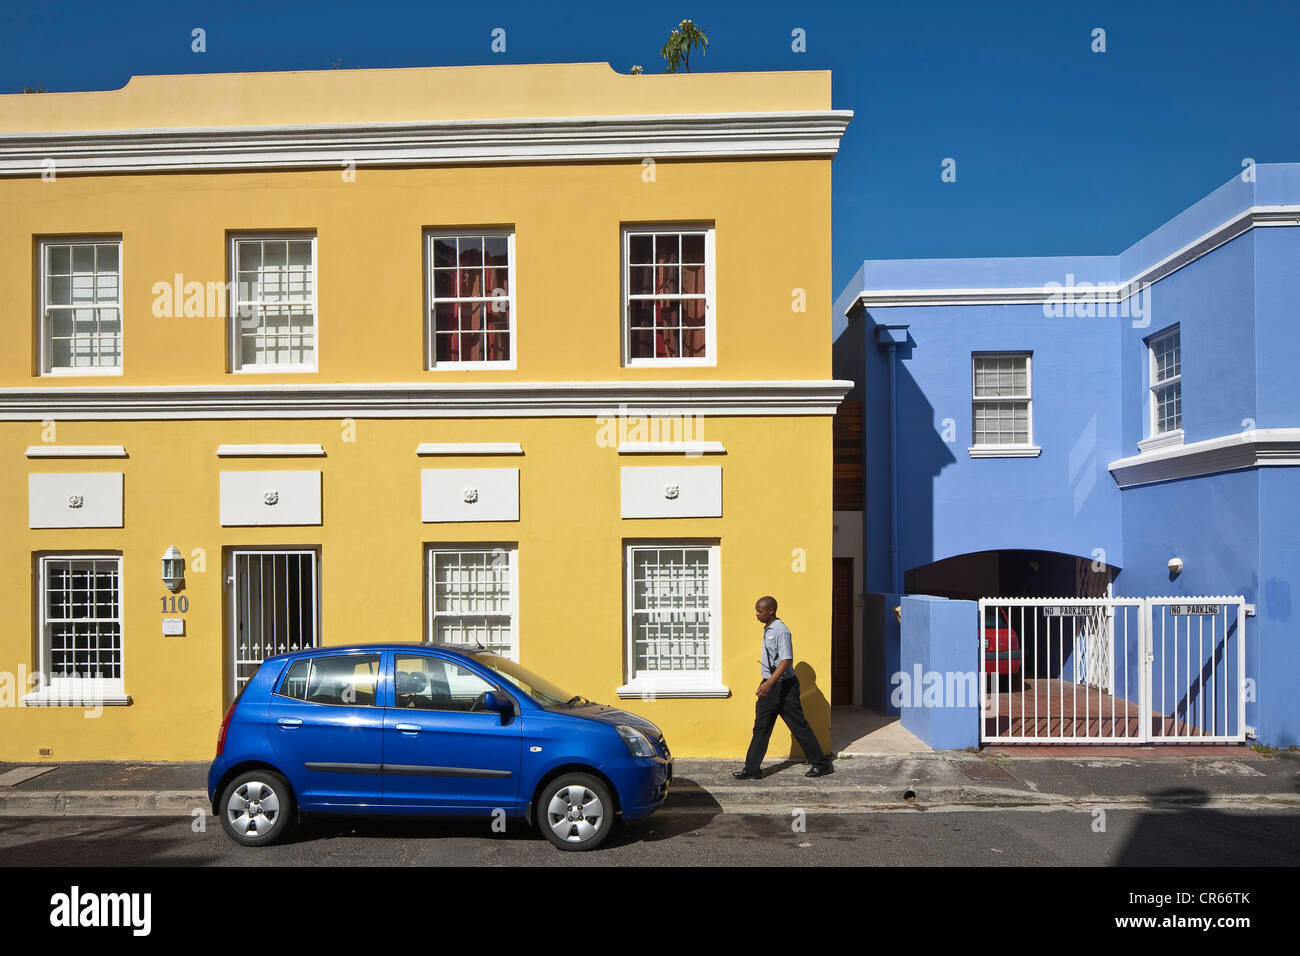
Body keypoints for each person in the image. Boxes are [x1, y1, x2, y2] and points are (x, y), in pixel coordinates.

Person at [733, 595, 835, 779]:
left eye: (759, 611)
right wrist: (767, 683)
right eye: (756, 610)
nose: (756, 614)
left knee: (798, 726)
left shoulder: (781, 631)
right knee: (761, 727)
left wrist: (769, 683)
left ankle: (821, 764)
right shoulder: (769, 629)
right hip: (769, 685)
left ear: (770, 611)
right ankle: (751, 769)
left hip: (783, 687)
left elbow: (786, 661)